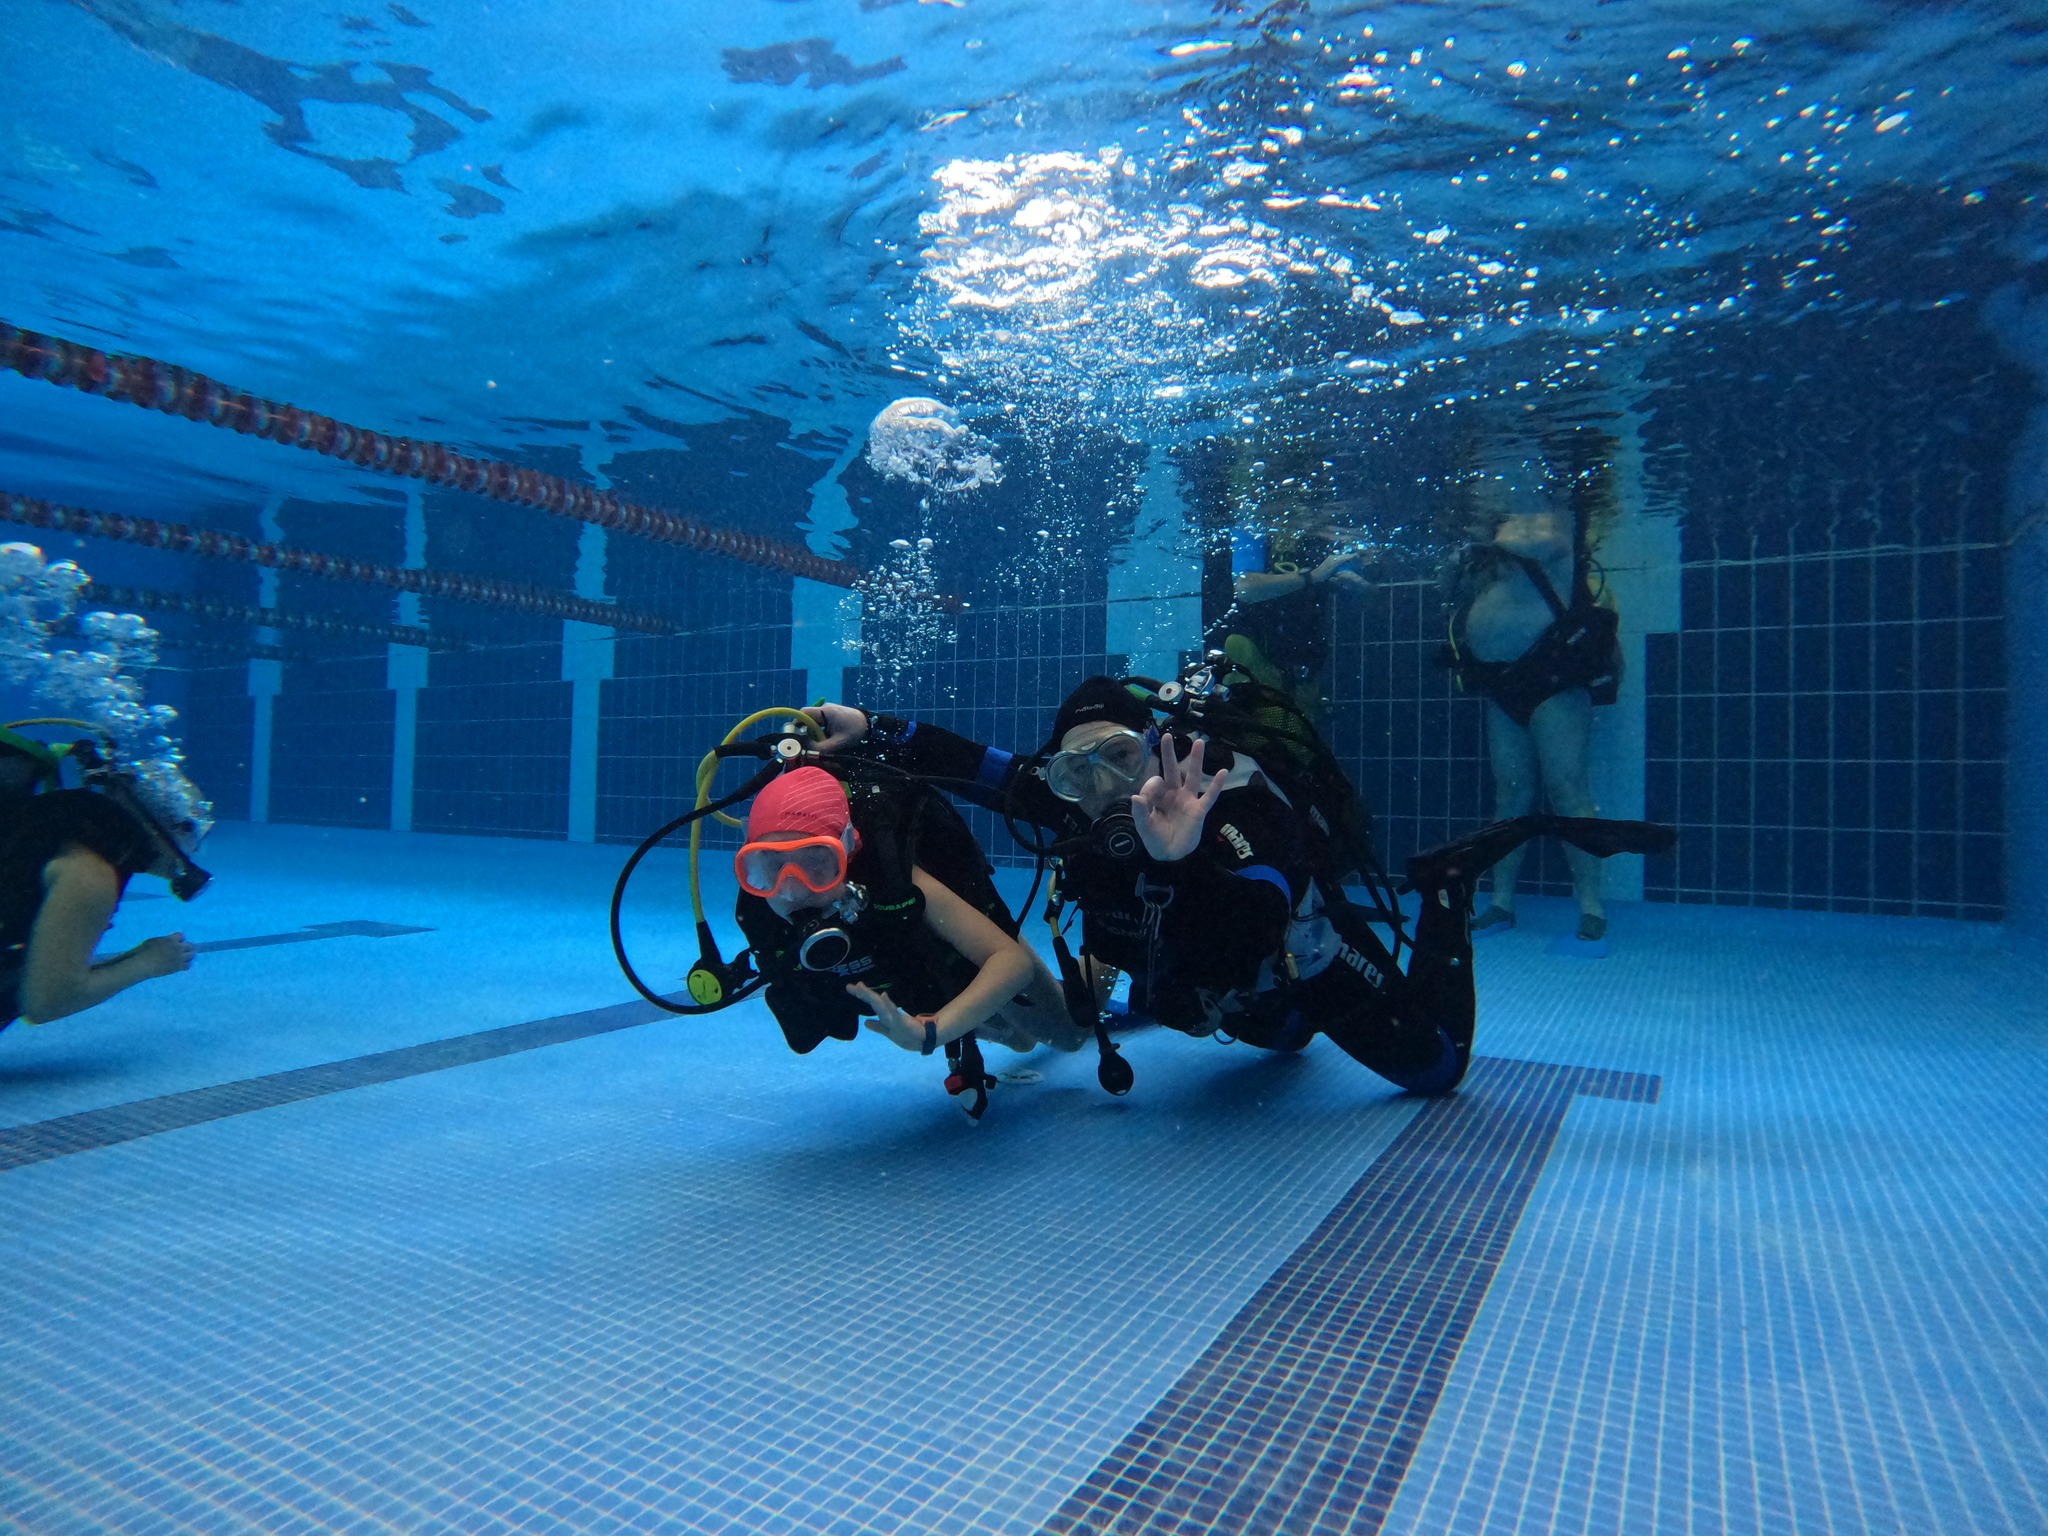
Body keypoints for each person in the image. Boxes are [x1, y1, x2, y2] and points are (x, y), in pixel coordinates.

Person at [804, 672, 1659, 1098]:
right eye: (1075, 769)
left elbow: (1258, 915)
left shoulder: (1229, 800)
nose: (1100, 787)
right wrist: (871, 728)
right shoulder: (1074, 798)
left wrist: (1180, 858)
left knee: (1435, 1073)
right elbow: (981, 769)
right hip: (1223, 1001)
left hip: (1301, 962)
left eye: (1121, 759)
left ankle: (1445, 886)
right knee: (1279, 1042)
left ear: (1158, 750)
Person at [730, 764, 1082, 1070]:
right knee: (1019, 1040)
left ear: (850, 849)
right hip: (919, 978)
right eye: (770, 865)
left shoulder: (893, 880)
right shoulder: (761, 908)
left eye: (817, 862)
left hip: (964, 953)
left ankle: (1097, 963)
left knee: (1070, 1035)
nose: (792, 889)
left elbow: (1010, 961)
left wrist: (933, 1032)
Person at [1442, 494, 1621, 943]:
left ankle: (1592, 907)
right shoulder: (1492, 546)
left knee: (1567, 788)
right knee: (1511, 793)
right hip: (1500, 682)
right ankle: (1501, 903)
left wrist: (1486, 527)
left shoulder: (1554, 523)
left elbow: (1540, 540)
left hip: (1554, 675)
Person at [2, 730, 207, 1030]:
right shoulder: (91, 875)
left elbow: (49, 968)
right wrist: (148, 963)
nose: (190, 854)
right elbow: (46, 1002)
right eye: (189, 836)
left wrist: (132, 957)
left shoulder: (60, 828)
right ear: (157, 828)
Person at [1219, 519, 1374, 724]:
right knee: (1258, 741)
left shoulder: (1324, 534)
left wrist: (1359, 587)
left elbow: (1366, 593)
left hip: (1303, 667)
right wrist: (1314, 576)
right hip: (1257, 658)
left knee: (1296, 745)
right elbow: (1245, 588)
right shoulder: (1253, 531)